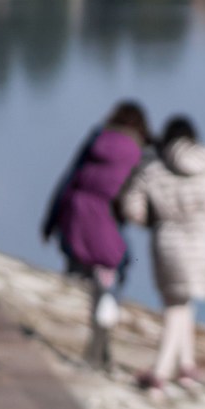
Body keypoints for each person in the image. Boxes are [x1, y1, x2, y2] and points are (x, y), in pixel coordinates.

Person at [118, 114, 205, 394]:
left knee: (175, 303)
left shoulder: (152, 167)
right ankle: (178, 368)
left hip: (168, 239)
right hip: (204, 239)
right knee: (182, 302)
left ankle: (164, 371)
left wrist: (152, 222)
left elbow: (131, 208)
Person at [41, 101, 151, 373]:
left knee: (100, 282)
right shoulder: (140, 152)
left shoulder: (97, 138)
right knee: (115, 275)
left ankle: (101, 351)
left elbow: (69, 179)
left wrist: (50, 222)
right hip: (106, 219)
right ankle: (97, 353)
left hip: (77, 214)